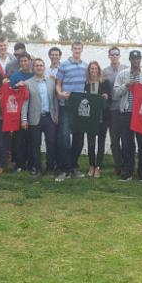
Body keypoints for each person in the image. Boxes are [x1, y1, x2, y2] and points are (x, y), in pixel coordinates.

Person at [113, 50, 142, 182]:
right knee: (127, 143)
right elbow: (115, 94)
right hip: (126, 112)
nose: (136, 61)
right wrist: (126, 85)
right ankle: (127, 172)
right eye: (133, 59)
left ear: (141, 60)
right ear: (130, 60)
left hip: (141, 114)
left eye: (138, 59)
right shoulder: (123, 74)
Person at [55, 41, 88, 181]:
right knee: (64, 138)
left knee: (79, 138)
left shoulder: (85, 66)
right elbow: (58, 84)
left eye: (79, 48)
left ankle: (73, 167)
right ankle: (64, 170)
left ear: (82, 50)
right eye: (75, 48)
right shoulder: (64, 65)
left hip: (79, 107)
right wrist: (60, 93)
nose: (77, 50)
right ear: (71, 49)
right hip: (66, 105)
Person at [21, 58, 59, 178]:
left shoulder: (51, 82)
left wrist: (56, 115)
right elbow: (25, 102)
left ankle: (50, 169)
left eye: (41, 65)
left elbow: (55, 100)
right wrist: (24, 119)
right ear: (33, 68)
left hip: (49, 118)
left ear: (44, 67)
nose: (39, 67)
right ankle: (37, 168)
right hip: (34, 118)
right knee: (35, 145)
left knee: (51, 144)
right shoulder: (27, 83)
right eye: (36, 65)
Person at [84, 61, 112, 178]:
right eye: (92, 69)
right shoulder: (86, 84)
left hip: (102, 118)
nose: (94, 71)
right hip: (90, 119)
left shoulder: (105, 83)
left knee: (101, 143)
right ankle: (91, 165)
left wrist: (106, 97)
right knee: (91, 144)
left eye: (96, 68)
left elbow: (110, 100)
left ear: (99, 70)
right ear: (89, 71)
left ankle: (98, 167)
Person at [102, 46, 127, 176]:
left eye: (116, 54)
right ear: (109, 56)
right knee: (115, 138)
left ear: (119, 55)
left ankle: (127, 164)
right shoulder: (104, 72)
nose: (114, 56)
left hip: (126, 108)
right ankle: (118, 164)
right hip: (112, 109)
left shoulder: (127, 69)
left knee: (126, 138)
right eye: (112, 54)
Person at [9, 53, 34, 172]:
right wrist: (16, 87)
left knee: (31, 139)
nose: (24, 63)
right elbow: (10, 92)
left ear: (30, 61)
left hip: (33, 110)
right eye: (21, 61)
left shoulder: (34, 74)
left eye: (25, 61)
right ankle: (19, 163)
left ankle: (31, 163)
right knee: (18, 139)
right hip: (18, 111)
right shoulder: (15, 75)